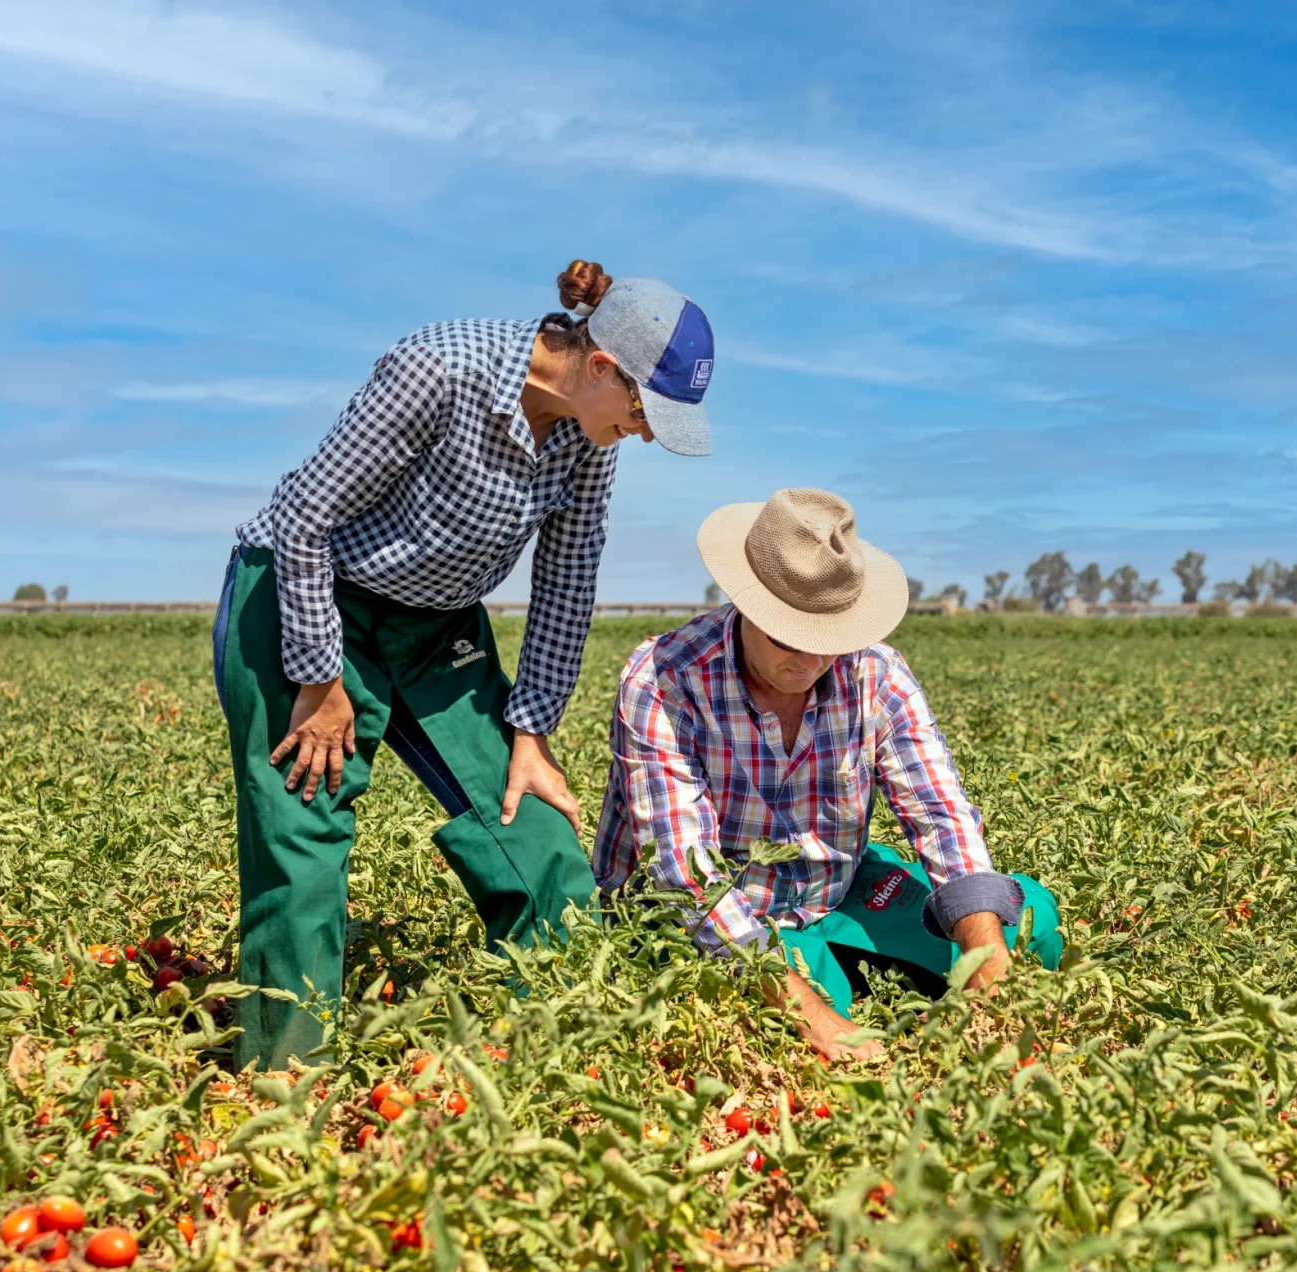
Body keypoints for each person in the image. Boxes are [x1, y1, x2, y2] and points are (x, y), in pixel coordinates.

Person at [216, 261, 717, 1069]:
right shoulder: (440, 369)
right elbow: (305, 514)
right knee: (302, 828)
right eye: (643, 413)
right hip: (304, 595)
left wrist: (532, 732)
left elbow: (568, 576)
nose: (647, 433)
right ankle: (283, 1083)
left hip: (435, 626)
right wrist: (318, 679)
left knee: (536, 829)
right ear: (600, 365)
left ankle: (552, 1059)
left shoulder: (589, 437)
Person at [592, 489, 1063, 1060]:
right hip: (710, 918)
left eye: (831, 641)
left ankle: (850, 966)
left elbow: (941, 814)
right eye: (789, 638)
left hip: (831, 893)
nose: (812, 662)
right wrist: (814, 1017)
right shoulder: (665, 678)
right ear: (746, 604)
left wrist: (983, 957)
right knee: (792, 1018)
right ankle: (831, 981)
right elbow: (685, 875)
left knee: (1023, 917)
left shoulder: (875, 671)